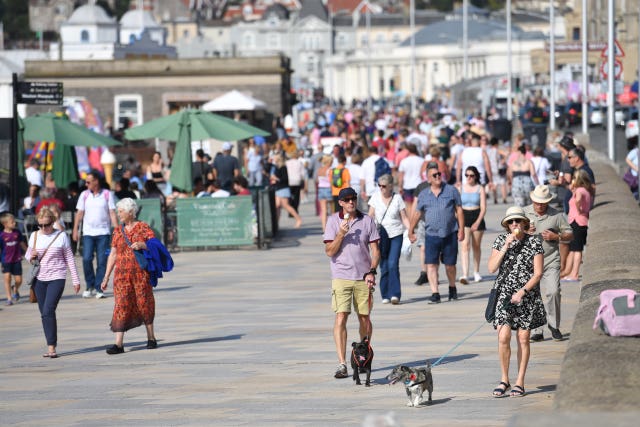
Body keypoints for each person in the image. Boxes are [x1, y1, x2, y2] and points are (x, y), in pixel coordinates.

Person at [487, 206, 545, 398]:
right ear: (507, 225)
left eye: (518, 221)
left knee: (523, 338)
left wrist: (522, 291)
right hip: (504, 294)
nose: (514, 225)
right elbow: (491, 268)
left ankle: (520, 381)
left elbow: (538, 273)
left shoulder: (535, 242)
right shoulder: (501, 240)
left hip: (526, 295)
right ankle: (504, 379)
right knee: (503, 337)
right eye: (511, 222)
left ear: (524, 223)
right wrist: (506, 246)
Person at [324, 187, 380, 379]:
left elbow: (376, 250)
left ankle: (363, 357)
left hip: (363, 277)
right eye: (346, 200)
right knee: (341, 317)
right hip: (341, 276)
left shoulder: (367, 220)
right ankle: (342, 364)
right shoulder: (333, 221)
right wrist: (340, 234)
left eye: (353, 199)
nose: (351, 202)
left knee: (365, 318)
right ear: (340, 202)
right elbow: (330, 251)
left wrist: (372, 271)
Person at [100, 198, 158, 354]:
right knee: (121, 304)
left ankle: (151, 338)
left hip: (141, 274)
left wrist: (142, 245)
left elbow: (155, 246)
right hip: (121, 276)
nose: (119, 215)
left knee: (144, 302)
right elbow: (113, 254)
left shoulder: (143, 227)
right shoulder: (118, 231)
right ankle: (118, 344)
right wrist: (106, 276)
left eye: (121, 211)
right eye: (118, 211)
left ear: (131, 212)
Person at [26, 207, 81, 358]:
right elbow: (27, 254)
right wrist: (32, 256)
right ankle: (50, 343)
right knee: (44, 314)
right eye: (41, 225)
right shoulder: (35, 236)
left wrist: (76, 280)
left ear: (53, 222)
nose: (44, 228)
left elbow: (70, 258)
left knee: (48, 310)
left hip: (57, 277)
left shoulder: (61, 236)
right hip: (39, 279)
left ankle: (51, 347)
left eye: (47, 225)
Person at [408, 163, 464, 303]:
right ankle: (435, 292)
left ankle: (452, 287)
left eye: (439, 174)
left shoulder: (451, 190)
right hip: (431, 235)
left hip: (450, 233)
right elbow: (417, 213)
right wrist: (411, 230)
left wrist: (462, 229)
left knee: (450, 264)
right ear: (428, 179)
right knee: (431, 264)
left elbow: (459, 210)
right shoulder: (423, 194)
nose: (438, 176)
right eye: (435, 175)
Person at [523, 185, 573, 342]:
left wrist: (556, 236)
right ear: (532, 200)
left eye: (543, 202)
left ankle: (554, 325)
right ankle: (537, 329)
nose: (540, 205)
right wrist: (524, 231)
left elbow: (570, 235)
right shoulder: (524, 212)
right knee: (532, 294)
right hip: (529, 262)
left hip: (550, 260)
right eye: (537, 202)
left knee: (553, 291)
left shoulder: (556, 215)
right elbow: (510, 232)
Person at [72, 171, 117, 299]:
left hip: (103, 232)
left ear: (96, 181)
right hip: (88, 233)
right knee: (86, 259)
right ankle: (89, 285)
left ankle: (99, 288)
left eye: (88, 181)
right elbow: (79, 213)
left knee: (102, 261)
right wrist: (75, 229)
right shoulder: (84, 195)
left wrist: (117, 230)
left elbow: (112, 213)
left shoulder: (107, 194)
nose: (86, 184)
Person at [368, 174, 410, 304]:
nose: (381, 188)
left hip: (396, 234)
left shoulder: (397, 198)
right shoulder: (375, 197)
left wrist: (411, 231)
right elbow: (370, 216)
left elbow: (404, 217)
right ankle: (385, 294)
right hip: (380, 235)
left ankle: (395, 294)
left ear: (391, 186)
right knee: (384, 265)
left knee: (393, 263)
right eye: (379, 185)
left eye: (384, 186)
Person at [561, 170, 592, 282]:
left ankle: (575, 274)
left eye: (574, 177)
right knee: (574, 248)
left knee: (577, 249)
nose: (573, 179)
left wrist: (579, 208)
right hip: (580, 221)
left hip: (577, 221)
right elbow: (569, 187)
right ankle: (571, 273)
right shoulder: (585, 190)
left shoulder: (579, 190)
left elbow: (578, 200)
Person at [459, 166, 487, 284]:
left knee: (476, 245)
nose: (468, 178)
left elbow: (483, 208)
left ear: (476, 176)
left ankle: (476, 272)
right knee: (465, 245)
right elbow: (458, 206)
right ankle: (465, 274)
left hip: (476, 215)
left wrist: (477, 222)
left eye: (471, 176)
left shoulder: (480, 189)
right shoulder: (460, 188)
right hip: (464, 215)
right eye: (466, 175)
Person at [1, 213, 27, 305]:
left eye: (14, 221)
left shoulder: (17, 232)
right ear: (5, 224)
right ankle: (9, 298)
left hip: (17, 260)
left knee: (19, 280)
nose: (14, 223)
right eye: (12, 222)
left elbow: (22, 243)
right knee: (7, 278)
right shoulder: (2, 235)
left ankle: (15, 288)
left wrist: (28, 252)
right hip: (6, 261)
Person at [270, 154, 302, 228]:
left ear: (278, 159)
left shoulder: (283, 167)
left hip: (283, 188)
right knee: (277, 206)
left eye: (275, 157)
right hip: (278, 188)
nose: (274, 159)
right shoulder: (276, 167)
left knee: (286, 206)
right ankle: (276, 224)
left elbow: (285, 179)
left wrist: (276, 178)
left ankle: (298, 219)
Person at [397, 143, 425, 218]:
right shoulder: (422, 160)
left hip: (407, 186)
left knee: (408, 206)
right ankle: (417, 222)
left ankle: (410, 224)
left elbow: (401, 176)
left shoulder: (404, 161)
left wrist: (400, 186)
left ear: (408, 151)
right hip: (419, 185)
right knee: (418, 206)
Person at [316, 155, 333, 231]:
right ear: (329, 162)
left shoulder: (319, 170)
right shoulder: (330, 170)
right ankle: (333, 227)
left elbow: (317, 180)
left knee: (324, 210)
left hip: (321, 189)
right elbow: (331, 181)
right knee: (332, 209)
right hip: (328, 189)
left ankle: (324, 228)